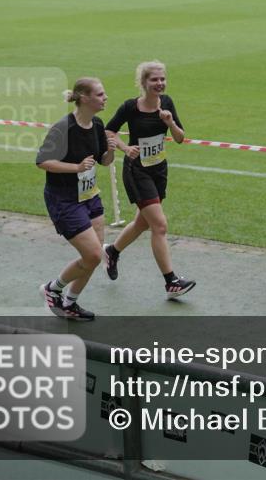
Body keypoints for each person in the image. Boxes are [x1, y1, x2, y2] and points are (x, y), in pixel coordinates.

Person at [104, 61, 194, 299]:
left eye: (162, 79)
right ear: (143, 82)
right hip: (137, 171)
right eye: (154, 79)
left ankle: (112, 251)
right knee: (159, 225)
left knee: (142, 223)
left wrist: (170, 122)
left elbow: (180, 138)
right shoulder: (130, 107)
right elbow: (109, 131)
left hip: (159, 169)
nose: (160, 83)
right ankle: (171, 281)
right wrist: (125, 148)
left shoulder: (167, 103)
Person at [37, 78, 115, 320]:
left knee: (94, 257)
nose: (105, 98)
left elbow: (103, 161)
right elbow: (42, 161)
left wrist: (111, 150)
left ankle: (70, 303)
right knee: (93, 255)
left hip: (90, 195)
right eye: (100, 94)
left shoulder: (97, 124)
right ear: (84, 98)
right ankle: (53, 289)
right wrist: (76, 168)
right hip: (64, 199)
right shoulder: (63, 128)